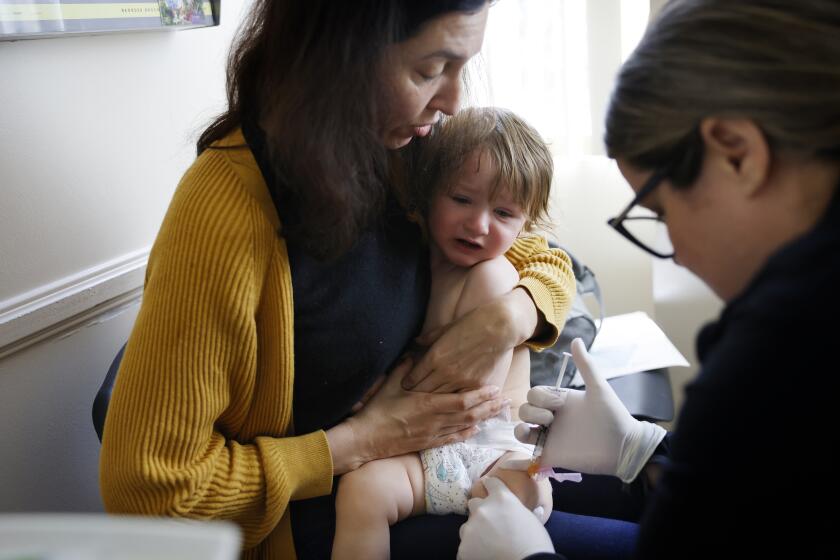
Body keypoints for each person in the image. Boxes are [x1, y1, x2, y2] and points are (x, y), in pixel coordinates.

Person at [97, 1, 576, 559]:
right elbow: (151, 491)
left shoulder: (406, 151)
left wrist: (504, 319)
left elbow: (547, 260)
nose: (453, 100)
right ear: (339, 56)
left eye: (460, 68)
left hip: (438, 460)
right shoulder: (226, 212)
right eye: (428, 70)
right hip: (327, 514)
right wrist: (362, 440)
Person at [458, 0, 838, 558]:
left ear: (738, 155)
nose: (677, 253)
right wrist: (645, 451)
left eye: (659, 211)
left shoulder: (780, 348)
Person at [332, 107, 556, 559]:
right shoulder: (408, 258)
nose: (478, 225)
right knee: (360, 495)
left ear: (525, 224)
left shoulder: (493, 280)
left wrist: (377, 390)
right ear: (428, 193)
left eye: (504, 213)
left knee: (533, 487)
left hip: (483, 450)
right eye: (461, 200)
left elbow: (468, 392)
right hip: (414, 453)